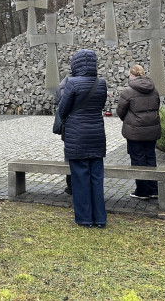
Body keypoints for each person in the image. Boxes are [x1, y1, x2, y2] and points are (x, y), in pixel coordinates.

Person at [57, 49, 108, 228]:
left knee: (80, 178)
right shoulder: (101, 83)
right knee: (96, 178)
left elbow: (62, 109)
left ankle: (84, 218)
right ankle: (100, 218)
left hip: (77, 135)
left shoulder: (72, 83)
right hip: (96, 134)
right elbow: (100, 106)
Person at [116, 64, 160, 200]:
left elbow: (120, 110)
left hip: (135, 131)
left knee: (137, 159)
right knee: (151, 158)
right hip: (152, 129)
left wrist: (129, 120)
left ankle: (141, 191)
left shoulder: (128, 91)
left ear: (132, 75)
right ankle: (153, 189)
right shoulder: (154, 89)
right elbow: (157, 106)